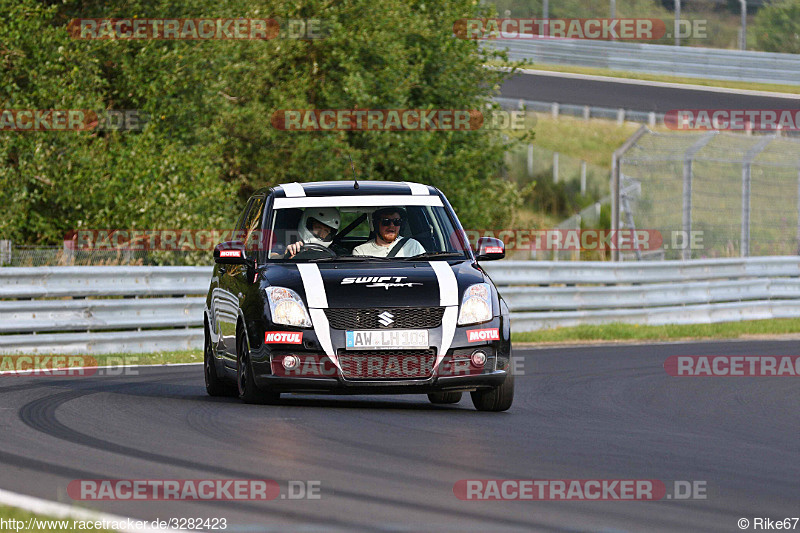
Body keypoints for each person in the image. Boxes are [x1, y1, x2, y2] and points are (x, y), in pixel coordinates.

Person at [353, 207, 425, 258]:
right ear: (376, 224)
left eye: (396, 221)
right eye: (386, 222)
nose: (392, 226)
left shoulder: (413, 245)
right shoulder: (360, 251)